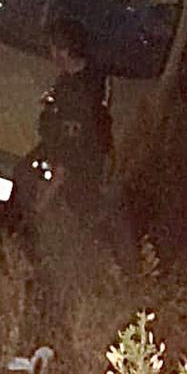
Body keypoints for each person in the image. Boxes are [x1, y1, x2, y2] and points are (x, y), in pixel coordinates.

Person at [9, 19, 113, 226]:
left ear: (65, 50)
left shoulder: (84, 88)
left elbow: (70, 151)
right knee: (23, 172)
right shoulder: (74, 78)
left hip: (76, 158)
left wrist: (41, 205)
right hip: (63, 148)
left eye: (55, 48)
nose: (52, 54)